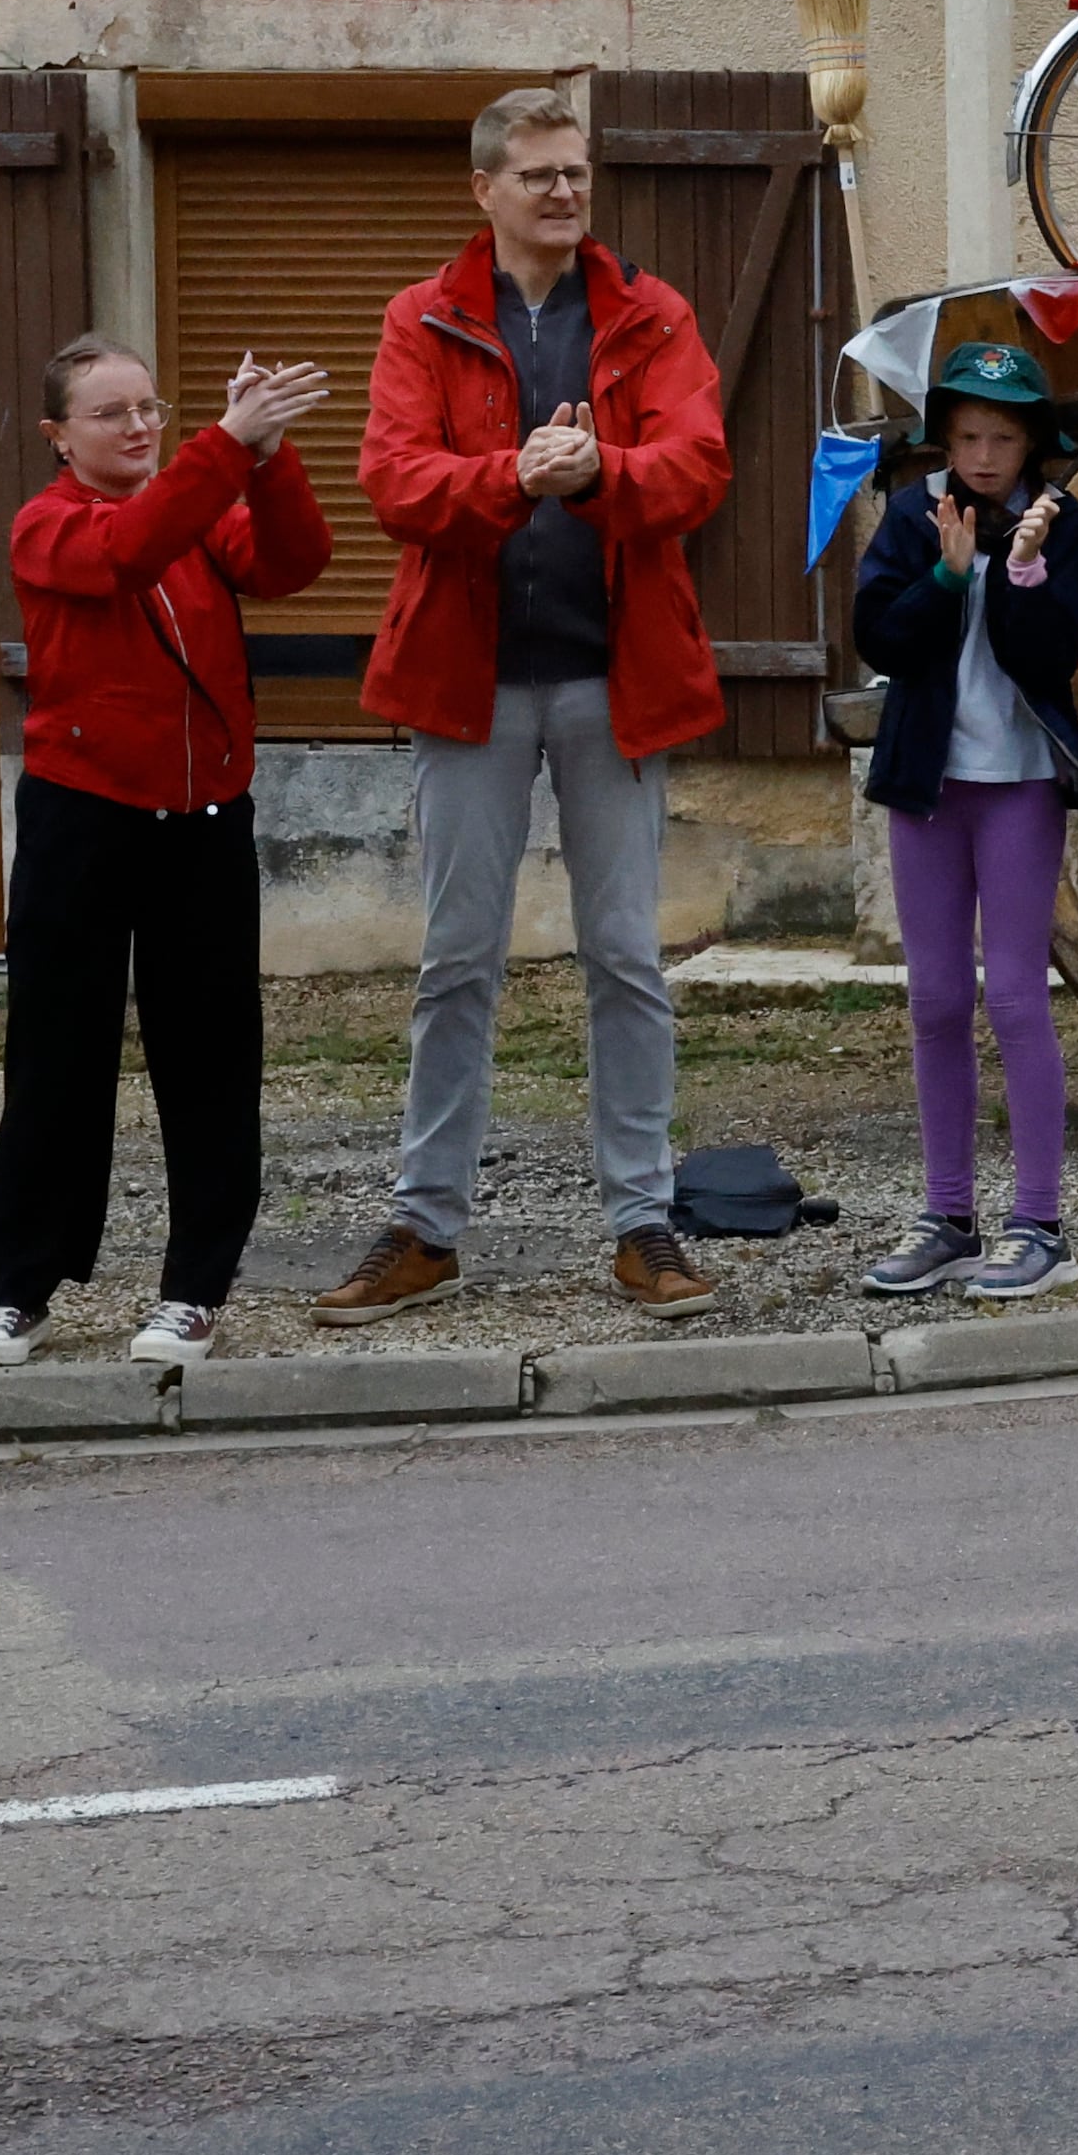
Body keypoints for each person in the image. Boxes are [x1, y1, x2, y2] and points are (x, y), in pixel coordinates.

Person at [317, 83, 737, 1329]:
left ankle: (642, 1221)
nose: (565, 191)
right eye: (540, 173)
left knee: (624, 955)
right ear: (485, 189)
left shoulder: (651, 314)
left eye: (578, 171)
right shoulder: (424, 317)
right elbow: (392, 480)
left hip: (617, 679)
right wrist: (510, 474)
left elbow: (699, 463)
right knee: (456, 961)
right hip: (468, 680)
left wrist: (604, 466)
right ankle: (427, 1222)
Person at [0, 339, 336, 1369]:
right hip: (81, 814)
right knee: (56, 1055)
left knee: (211, 1057)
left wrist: (269, 454)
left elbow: (297, 561)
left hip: (203, 817)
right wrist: (225, 446)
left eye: (150, 408)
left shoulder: (200, 500)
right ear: (57, 436)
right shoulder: (48, 522)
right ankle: (17, 1288)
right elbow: (125, 549)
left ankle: (194, 1286)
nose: (137, 427)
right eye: (110, 413)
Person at [848, 343, 1078, 1299]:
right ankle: (947, 1214)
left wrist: (1024, 570)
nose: (985, 454)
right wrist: (950, 578)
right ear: (942, 440)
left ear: (1034, 442)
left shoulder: (1059, 522)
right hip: (928, 781)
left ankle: (1039, 1220)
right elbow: (879, 634)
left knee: (1014, 997)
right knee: (935, 1001)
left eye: (1003, 436)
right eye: (967, 436)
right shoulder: (916, 516)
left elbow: (1049, 658)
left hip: (1019, 782)